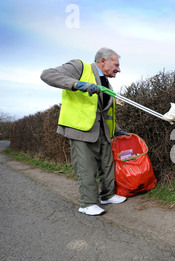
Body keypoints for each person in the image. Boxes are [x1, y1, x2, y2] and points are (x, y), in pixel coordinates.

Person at [41, 47, 129, 216]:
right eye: (116, 65)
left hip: (102, 131)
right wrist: (77, 84)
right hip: (80, 128)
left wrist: (118, 131)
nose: (119, 69)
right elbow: (47, 75)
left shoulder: (107, 83)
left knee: (107, 164)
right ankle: (87, 203)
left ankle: (108, 195)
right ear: (103, 61)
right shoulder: (80, 67)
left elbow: (105, 112)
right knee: (86, 166)